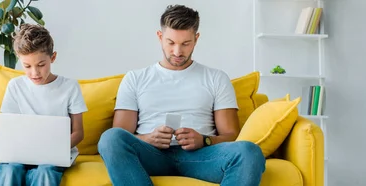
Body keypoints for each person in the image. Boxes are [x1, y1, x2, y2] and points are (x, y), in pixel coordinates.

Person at [97, 4, 266, 186]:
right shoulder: (135, 78)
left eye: (186, 44)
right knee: (110, 138)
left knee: (249, 151)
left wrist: (204, 139)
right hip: (150, 155)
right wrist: (148, 138)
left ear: (196, 39)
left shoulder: (216, 78)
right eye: (171, 43)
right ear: (160, 37)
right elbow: (121, 133)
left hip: (201, 157)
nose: (177, 52)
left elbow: (231, 135)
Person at [0, 24, 88, 186]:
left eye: (41, 65)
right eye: (27, 66)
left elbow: (78, 132)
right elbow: (7, 130)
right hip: (20, 154)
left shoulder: (70, 87)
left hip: (55, 155)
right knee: (10, 171)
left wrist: (54, 149)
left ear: (53, 57)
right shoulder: (15, 86)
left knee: (45, 172)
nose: (34, 73)